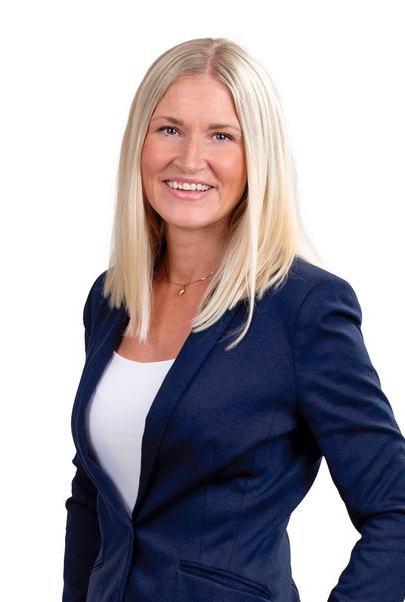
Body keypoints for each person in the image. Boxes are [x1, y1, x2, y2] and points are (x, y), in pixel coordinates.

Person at [62, 37, 405, 602]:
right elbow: (91, 495)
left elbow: (395, 509)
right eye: (169, 129)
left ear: (257, 157)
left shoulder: (304, 309)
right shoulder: (112, 299)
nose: (189, 159)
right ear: (139, 142)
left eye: (222, 135)